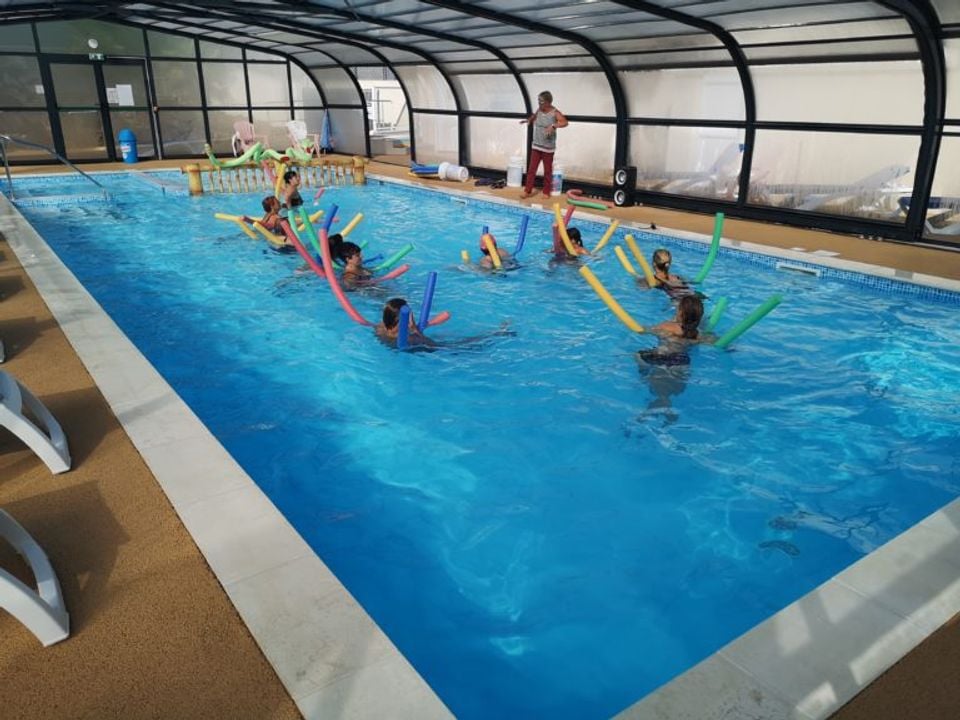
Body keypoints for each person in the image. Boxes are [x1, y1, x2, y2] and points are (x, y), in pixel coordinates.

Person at [376, 298, 514, 351]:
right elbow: (427, 342)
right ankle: (497, 334)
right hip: (426, 350)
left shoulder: (380, 328)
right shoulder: (411, 338)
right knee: (461, 345)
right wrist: (415, 329)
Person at [519, 91, 568, 199]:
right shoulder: (539, 110)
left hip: (548, 148)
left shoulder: (555, 112)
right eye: (538, 101)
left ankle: (546, 192)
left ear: (548, 102)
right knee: (531, 170)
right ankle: (527, 191)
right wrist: (529, 120)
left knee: (547, 171)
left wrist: (553, 126)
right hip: (536, 145)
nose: (539, 103)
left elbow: (565, 122)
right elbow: (535, 116)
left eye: (541, 101)